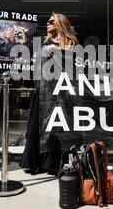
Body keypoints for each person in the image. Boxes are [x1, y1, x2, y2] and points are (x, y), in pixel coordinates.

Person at [20, 12, 78, 175]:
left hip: (63, 92)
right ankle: (36, 162)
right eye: (48, 22)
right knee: (39, 127)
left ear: (60, 24)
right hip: (43, 91)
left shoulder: (72, 45)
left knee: (60, 128)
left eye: (51, 21)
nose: (48, 24)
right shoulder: (42, 46)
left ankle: (55, 163)